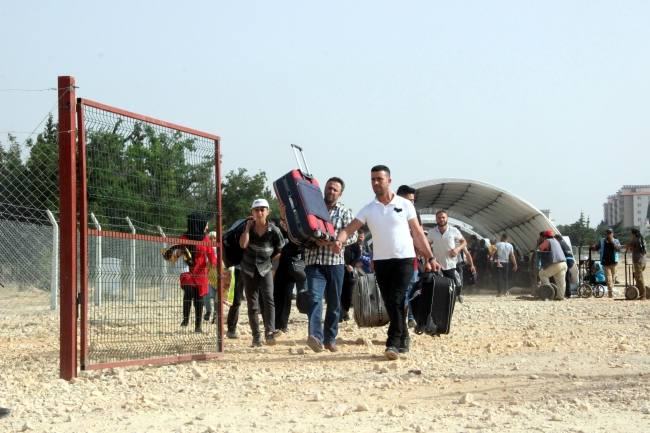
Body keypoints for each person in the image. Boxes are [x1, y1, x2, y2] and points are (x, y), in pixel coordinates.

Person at [333, 165, 440, 360]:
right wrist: (339, 240)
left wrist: (430, 257)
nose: (375, 183)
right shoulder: (369, 209)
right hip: (381, 262)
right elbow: (349, 229)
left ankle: (393, 342)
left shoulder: (404, 204)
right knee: (391, 302)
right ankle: (404, 337)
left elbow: (417, 233)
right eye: (372, 179)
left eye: (379, 179)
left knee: (398, 298)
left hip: (405, 260)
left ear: (389, 181)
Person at [289, 177, 357, 353]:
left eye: (335, 190)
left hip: (335, 263)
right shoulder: (312, 209)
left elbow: (354, 236)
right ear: (323, 190)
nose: (331, 192)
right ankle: (315, 337)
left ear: (340, 194)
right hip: (313, 263)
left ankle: (330, 338)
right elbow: (298, 227)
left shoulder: (344, 212)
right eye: (329, 188)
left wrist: (334, 241)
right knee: (314, 299)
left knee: (334, 302)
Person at [239, 198, 284, 347]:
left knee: (268, 299)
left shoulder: (274, 231)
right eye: (256, 210)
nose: (259, 213)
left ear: (268, 212)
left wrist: (273, 258)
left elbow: (280, 248)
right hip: (248, 269)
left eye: (262, 209)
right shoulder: (248, 228)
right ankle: (256, 336)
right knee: (252, 303)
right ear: (252, 212)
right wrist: (247, 227)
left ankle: (270, 332)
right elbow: (243, 244)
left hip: (265, 269)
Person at [179, 213, 217, 333]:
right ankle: (185, 319)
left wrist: (215, 265)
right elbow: (179, 251)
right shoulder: (184, 237)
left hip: (201, 272)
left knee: (199, 298)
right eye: (205, 224)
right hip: (188, 270)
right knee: (189, 292)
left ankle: (198, 325)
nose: (206, 226)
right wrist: (178, 253)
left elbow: (211, 254)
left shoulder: (205, 238)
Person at [272, 217, 305, 333]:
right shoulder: (277, 233)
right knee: (275, 296)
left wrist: (282, 253)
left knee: (286, 297)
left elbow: (299, 249)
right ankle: (273, 324)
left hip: (290, 270)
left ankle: (283, 324)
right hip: (275, 270)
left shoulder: (297, 235)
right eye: (283, 222)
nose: (284, 224)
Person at [394, 184, 421, 326]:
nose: (411, 203)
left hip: (411, 260)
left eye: (413, 200)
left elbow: (419, 235)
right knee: (400, 293)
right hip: (393, 261)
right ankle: (401, 323)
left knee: (410, 290)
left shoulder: (415, 216)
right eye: (409, 200)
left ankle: (409, 318)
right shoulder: (389, 213)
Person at [426, 211, 467, 302]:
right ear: (436, 219)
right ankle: (441, 302)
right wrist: (429, 260)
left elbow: (464, 242)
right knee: (439, 284)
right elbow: (427, 245)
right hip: (438, 264)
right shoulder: (432, 232)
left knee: (457, 282)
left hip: (451, 264)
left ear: (447, 218)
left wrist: (457, 249)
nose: (441, 219)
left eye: (443, 217)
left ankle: (459, 293)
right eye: (439, 218)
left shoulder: (453, 230)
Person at [203, 231, 232, 323]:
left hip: (218, 277)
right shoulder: (206, 249)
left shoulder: (221, 250)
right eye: (211, 238)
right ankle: (208, 310)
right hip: (208, 276)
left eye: (215, 238)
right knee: (206, 294)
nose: (213, 240)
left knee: (217, 296)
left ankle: (216, 313)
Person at [589, 228, 622, 298]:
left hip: (613, 262)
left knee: (613, 277)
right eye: (608, 233)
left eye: (610, 233)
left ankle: (611, 289)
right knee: (608, 277)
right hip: (605, 262)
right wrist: (592, 247)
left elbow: (618, 249)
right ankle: (610, 291)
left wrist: (612, 242)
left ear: (613, 234)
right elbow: (596, 248)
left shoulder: (616, 241)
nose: (609, 234)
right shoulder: (602, 241)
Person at [537, 230, 567, 300]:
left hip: (556, 263)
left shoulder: (548, 241)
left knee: (542, 274)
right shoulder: (556, 241)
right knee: (561, 282)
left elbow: (540, 248)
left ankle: (548, 293)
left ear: (545, 237)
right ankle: (560, 297)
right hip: (563, 263)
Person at [340, 229, 362, 322]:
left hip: (348, 270)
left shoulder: (352, 240)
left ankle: (345, 311)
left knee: (348, 293)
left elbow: (358, 254)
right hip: (337, 267)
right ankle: (340, 314)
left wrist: (352, 265)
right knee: (338, 292)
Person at [626, 228, 647, 300]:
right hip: (643, 261)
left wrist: (628, 246)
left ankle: (643, 294)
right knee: (637, 276)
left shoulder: (635, 239)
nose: (630, 235)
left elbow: (628, 245)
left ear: (634, 234)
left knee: (639, 278)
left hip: (638, 261)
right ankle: (638, 291)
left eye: (631, 234)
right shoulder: (642, 239)